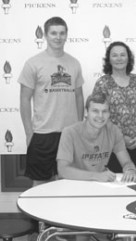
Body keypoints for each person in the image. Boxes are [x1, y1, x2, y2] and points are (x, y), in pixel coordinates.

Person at [18, 16, 84, 187]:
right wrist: (28, 133)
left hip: (69, 133)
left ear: (66, 35)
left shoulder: (74, 63)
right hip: (42, 134)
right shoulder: (33, 63)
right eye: (53, 33)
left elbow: (79, 96)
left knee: (67, 183)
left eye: (62, 33)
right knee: (40, 184)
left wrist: (79, 127)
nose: (58, 37)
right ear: (45, 35)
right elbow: (24, 100)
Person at [92, 41, 136, 172]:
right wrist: (121, 138)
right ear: (109, 59)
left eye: (123, 55)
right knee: (114, 184)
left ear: (128, 58)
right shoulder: (102, 83)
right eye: (115, 55)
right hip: (112, 144)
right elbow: (99, 116)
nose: (119, 58)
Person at [57, 92, 136, 182]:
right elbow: (62, 170)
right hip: (73, 183)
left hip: (100, 184)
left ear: (109, 114)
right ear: (86, 112)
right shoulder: (69, 132)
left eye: (104, 111)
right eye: (95, 111)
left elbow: (126, 162)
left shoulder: (114, 131)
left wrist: (130, 170)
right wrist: (96, 176)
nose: (100, 116)